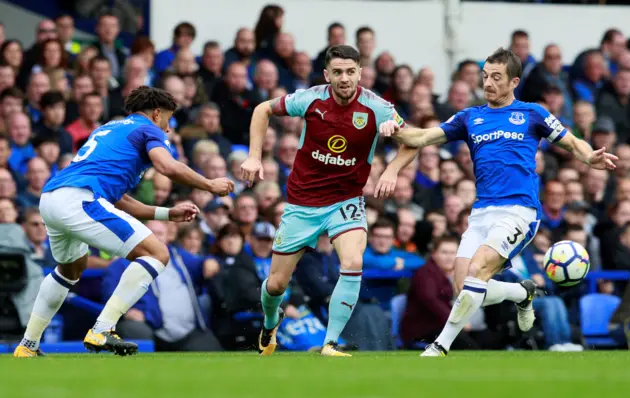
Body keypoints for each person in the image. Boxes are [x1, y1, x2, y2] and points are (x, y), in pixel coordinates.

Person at [379, 47, 617, 357]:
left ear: (513, 81)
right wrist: (394, 130)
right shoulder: (470, 117)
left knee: (478, 272)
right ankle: (521, 292)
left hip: (519, 211)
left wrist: (588, 156)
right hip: (481, 213)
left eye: (496, 77)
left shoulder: (533, 113)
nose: (488, 83)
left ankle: (440, 345)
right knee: (463, 287)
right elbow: (422, 137)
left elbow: (570, 141)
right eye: (485, 77)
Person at [13, 86, 234, 358]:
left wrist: (166, 213)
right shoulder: (148, 129)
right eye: (167, 120)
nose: (167, 129)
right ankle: (102, 329)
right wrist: (210, 184)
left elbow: (118, 198)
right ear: (156, 113)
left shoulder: (110, 129)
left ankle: (28, 345)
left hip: (52, 198)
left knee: (71, 268)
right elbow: (167, 167)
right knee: (157, 253)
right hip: (80, 199)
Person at [240, 45, 416, 357]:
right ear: (327, 74)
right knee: (277, 284)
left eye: (351, 71)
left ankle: (330, 343)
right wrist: (254, 157)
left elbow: (411, 141)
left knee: (353, 262)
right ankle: (270, 322)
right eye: (338, 72)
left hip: (345, 201)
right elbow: (261, 110)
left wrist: (391, 171)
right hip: (302, 204)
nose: (344, 78)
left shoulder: (378, 107)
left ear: (360, 72)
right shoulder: (310, 98)